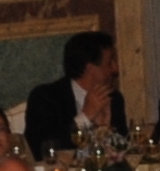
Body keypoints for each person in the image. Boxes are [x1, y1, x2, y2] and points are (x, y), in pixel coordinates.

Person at [22, 30, 123, 158]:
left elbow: (124, 153)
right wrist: (85, 117)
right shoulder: (45, 97)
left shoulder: (114, 99)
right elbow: (41, 148)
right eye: (109, 63)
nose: (115, 69)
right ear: (89, 68)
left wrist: (104, 130)